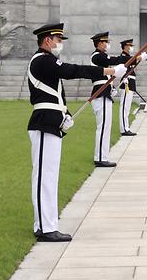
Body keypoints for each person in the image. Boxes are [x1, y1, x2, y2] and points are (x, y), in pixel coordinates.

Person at [27, 22, 114, 241]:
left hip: (51, 121)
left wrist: (64, 114)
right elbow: (71, 71)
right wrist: (106, 70)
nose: (59, 44)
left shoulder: (46, 62)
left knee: (49, 175)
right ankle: (46, 228)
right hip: (44, 122)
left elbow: (55, 95)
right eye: (58, 40)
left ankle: (45, 224)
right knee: (44, 177)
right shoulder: (42, 60)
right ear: (47, 40)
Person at [90, 32, 140, 167]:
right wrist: (134, 59)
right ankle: (100, 157)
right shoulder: (97, 56)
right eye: (105, 42)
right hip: (100, 94)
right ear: (99, 43)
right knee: (103, 127)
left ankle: (102, 156)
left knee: (106, 127)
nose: (107, 45)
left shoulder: (101, 56)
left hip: (105, 94)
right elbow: (112, 61)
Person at [117, 38, 139, 137]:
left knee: (127, 107)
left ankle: (126, 127)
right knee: (124, 107)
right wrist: (140, 57)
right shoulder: (123, 57)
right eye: (129, 46)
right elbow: (132, 61)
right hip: (126, 82)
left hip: (131, 82)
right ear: (125, 47)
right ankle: (124, 129)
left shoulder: (128, 57)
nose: (131, 48)